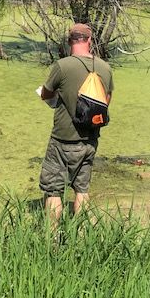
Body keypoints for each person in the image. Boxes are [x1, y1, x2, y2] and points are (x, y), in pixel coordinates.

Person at [39, 23, 113, 224]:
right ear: (89, 41)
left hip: (63, 140)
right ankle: (81, 238)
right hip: (90, 141)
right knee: (82, 189)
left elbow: (46, 93)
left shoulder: (62, 66)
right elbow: (107, 100)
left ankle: (51, 241)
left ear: (69, 41)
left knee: (53, 189)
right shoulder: (105, 68)